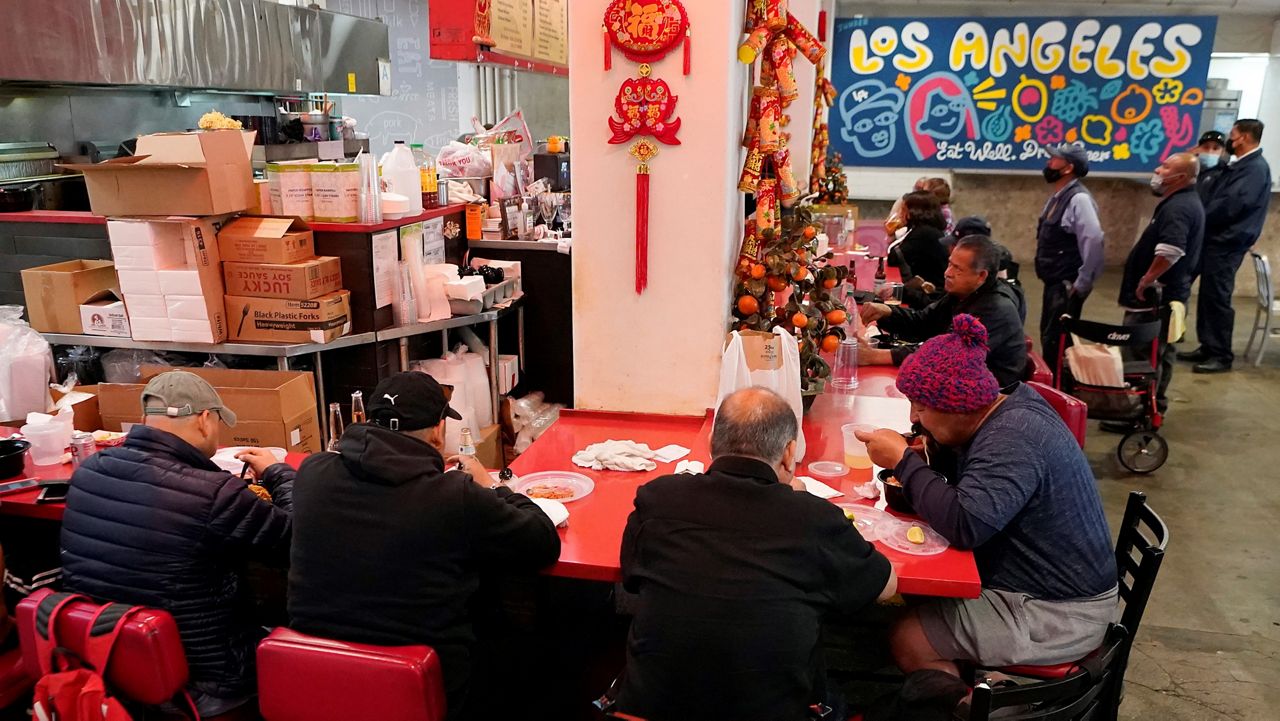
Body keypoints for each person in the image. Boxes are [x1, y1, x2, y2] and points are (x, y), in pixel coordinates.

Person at [609, 387, 897, 721]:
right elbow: (885, 585)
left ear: (712, 444)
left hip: (649, 711)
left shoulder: (658, 498)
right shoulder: (813, 518)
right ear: (790, 453)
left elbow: (630, 574)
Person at [856, 316, 1117, 681]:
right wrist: (931, 448)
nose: (913, 416)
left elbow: (965, 525)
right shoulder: (1003, 411)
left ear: (960, 406)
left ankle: (969, 704)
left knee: (909, 637)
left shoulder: (1013, 439)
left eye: (921, 407)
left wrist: (903, 461)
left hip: (1057, 612)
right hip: (1036, 587)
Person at [288, 372, 560, 721]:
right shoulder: (452, 495)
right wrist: (494, 487)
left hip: (315, 675)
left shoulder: (312, 473)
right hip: (419, 681)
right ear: (437, 431)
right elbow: (542, 542)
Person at [61, 371, 294, 718]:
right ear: (204, 420)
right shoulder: (214, 493)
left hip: (106, 662)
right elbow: (296, 539)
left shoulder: (90, 469)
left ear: (144, 420)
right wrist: (279, 473)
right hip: (204, 683)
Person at [859, 235, 1027, 388]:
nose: (947, 273)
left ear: (981, 276)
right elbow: (923, 322)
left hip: (991, 395)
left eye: (957, 269)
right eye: (949, 264)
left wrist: (875, 356)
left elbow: (948, 356)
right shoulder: (962, 293)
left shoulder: (996, 309)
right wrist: (887, 312)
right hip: (957, 381)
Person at [1113, 152, 1204, 421]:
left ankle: (1139, 413)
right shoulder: (1179, 203)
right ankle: (1152, 409)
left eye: (1165, 167)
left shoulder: (1179, 208)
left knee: (1143, 355)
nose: (1158, 169)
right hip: (1166, 298)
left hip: (1156, 301)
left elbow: (1172, 249)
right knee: (1160, 354)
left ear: (1180, 178)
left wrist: (1147, 279)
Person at [1179, 119, 1272, 373]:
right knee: (1209, 295)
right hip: (1216, 241)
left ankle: (1221, 354)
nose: (1229, 140)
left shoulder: (1254, 169)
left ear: (1242, 138)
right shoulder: (1239, 166)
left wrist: (1201, 215)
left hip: (1227, 243)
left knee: (1218, 296)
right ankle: (1208, 345)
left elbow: (1231, 205)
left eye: (1232, 135)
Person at [1036, 143, 1105, 373]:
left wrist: (1083, 281)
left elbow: (1094, 239)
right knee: (1049, 337)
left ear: (1068, 168)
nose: (1049, 163)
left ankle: (1059, 395)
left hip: (1066, 285)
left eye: (1054, 159)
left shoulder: (1079, 199)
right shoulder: (1058, 196)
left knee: (1057, 343)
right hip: (1053, 282)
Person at [888, 190, 951, 290]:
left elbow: (894, 257)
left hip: (931, 292)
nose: (900, 214)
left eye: (903, 210)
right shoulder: (927, 229)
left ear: (912, 212)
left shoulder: (925, 233)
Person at [1194, 130, 1228, 205]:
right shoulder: (1190, 169)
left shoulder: (1226, 174)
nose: (1210, 151)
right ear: (1198, 149)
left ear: (1223, 152)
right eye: (1206, 147)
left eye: (1215, 148)